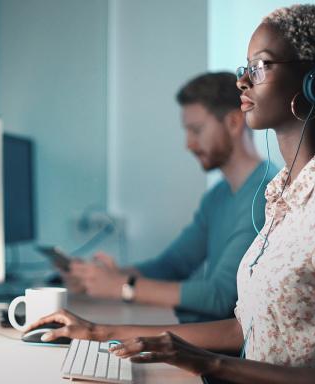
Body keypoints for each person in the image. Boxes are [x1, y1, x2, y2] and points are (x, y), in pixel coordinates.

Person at [28, 4, 315, 383]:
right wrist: (98, 331)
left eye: (260, 66)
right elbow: (243, 327)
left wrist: (208, 363)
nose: (242, 82)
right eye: (243, 69)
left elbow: (219, 302)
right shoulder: (281, 197)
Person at [64, 72, 278, 323]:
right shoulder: (218, 196)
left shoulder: (267, 194)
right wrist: (101, 278)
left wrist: (123, 286)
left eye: (196, 130)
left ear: (233, 122)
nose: (188, 144)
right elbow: (173, 266)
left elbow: (222, 296)